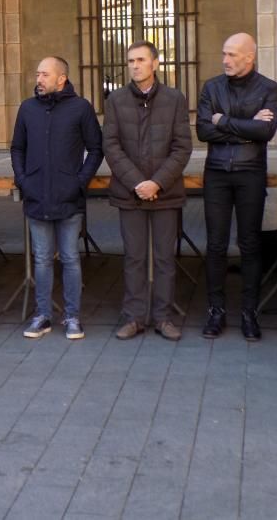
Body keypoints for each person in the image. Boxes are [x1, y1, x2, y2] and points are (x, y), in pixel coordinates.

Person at [104, 42, 192, 341]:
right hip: (130, 193)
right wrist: (137, 183)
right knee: (134, 257)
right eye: (130, 61)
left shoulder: (175, 99)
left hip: (165, 193)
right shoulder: (115, 100)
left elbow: (182, 147)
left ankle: (163, 318)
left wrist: (156, 182)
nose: (135, 65)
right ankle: (134, 318)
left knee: (165, 258)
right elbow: (111, 146)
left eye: (141, 60)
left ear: (155, 63)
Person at [11, 57, 103, 340]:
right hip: (37, 196)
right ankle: (42, 316)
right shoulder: (27, 108)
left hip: (68, 198)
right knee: (41, 259)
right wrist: (23, 180)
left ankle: (72, 317)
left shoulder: (80, 108)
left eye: (44, 74)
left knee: (70, 258)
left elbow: (96, 148)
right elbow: (17, 148)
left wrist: (79, 182)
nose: (38, 79)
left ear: (61, 78)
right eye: (37, 73)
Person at [196, 32, 277, 341]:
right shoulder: (212, 87)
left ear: (249, 57)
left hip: (250, 174)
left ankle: (249, 313)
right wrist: (246, 127)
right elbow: (204, 131)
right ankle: (215, 312)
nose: (225, 60)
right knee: (216, 245)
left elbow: (266, 131)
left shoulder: (268, 88)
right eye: (224, 54)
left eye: (232, 55)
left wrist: (224, 120)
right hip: (217, 173)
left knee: (250, 245)